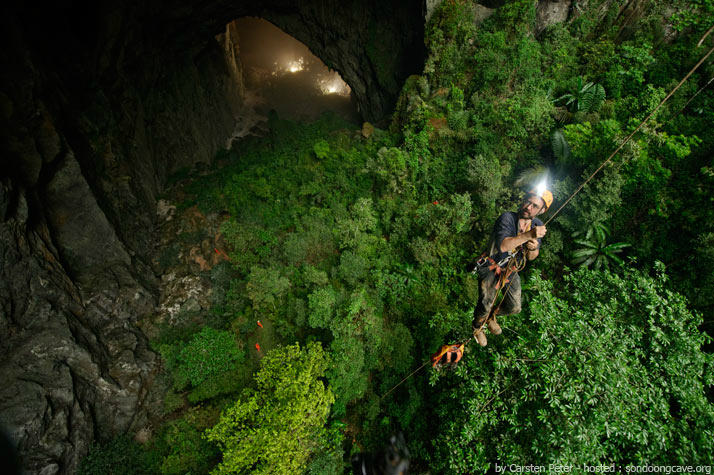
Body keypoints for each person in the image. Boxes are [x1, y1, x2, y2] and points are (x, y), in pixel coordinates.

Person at [471, 187, 553, 346]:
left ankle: (491, 317)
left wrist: (533, 247)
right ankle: (477, 327)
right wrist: (529, 235)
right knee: (485, 303)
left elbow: (532, 257)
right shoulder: (507, 218)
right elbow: (503, 246)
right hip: (491, 265)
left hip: (510, 269)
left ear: (542, 210)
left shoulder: (537, 224)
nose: (528, 207)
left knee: (514, 307)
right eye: (527, 202)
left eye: (534, 206)